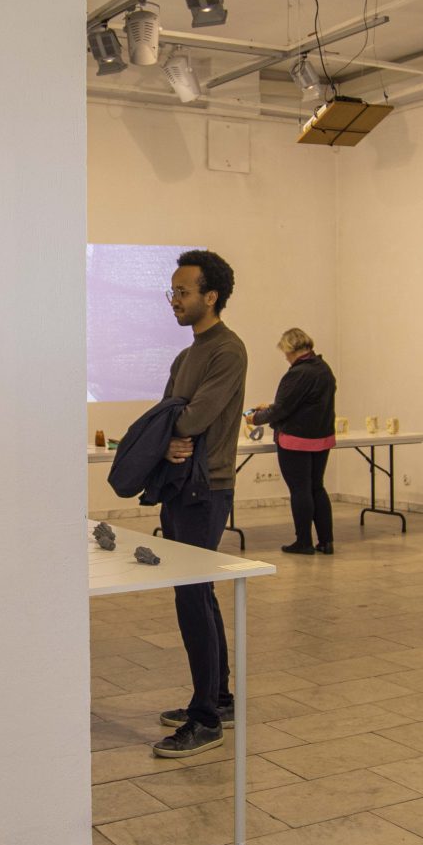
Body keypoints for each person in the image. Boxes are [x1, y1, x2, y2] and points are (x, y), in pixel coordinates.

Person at [152, 249, 248, 758]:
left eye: (183, 291)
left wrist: (173, 429)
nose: (175, 299)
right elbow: (169, 414)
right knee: (196, 593)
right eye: (172, 291)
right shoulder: (185, 356)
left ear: (211, 296)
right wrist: (167, 438)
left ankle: (206, 719)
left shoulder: (227, 351)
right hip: (180, 485)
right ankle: (218, 699)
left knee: (193, 595)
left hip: (206, 488)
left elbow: (193, 418)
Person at [246, 328, 337, 556]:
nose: (285, 357)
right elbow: (303, 403)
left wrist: (255, 418)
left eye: (285, 352)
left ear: (291, 349)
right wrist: (271, 407)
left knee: (300, 490)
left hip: (296, 440)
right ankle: (326, 541)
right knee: (317, 487)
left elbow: (283, 408)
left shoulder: (297, 373)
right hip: (321, 438)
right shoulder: (324, 369)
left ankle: (303, 542)